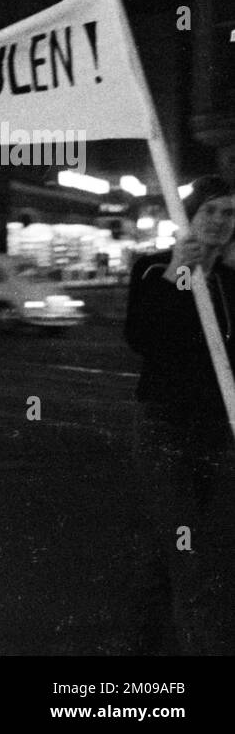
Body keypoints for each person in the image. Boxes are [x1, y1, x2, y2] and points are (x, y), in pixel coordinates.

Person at [124, 174, 235, 654]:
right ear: (188, 216)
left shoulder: (231, 282)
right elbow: (144, 338)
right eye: (209, 210)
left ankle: (147, 643)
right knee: (187, 549)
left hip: (216, 431)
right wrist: (176, 274)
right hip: (165, 427)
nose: (218, 220)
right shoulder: (153, 269)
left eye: (228, 213)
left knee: (167, 546)